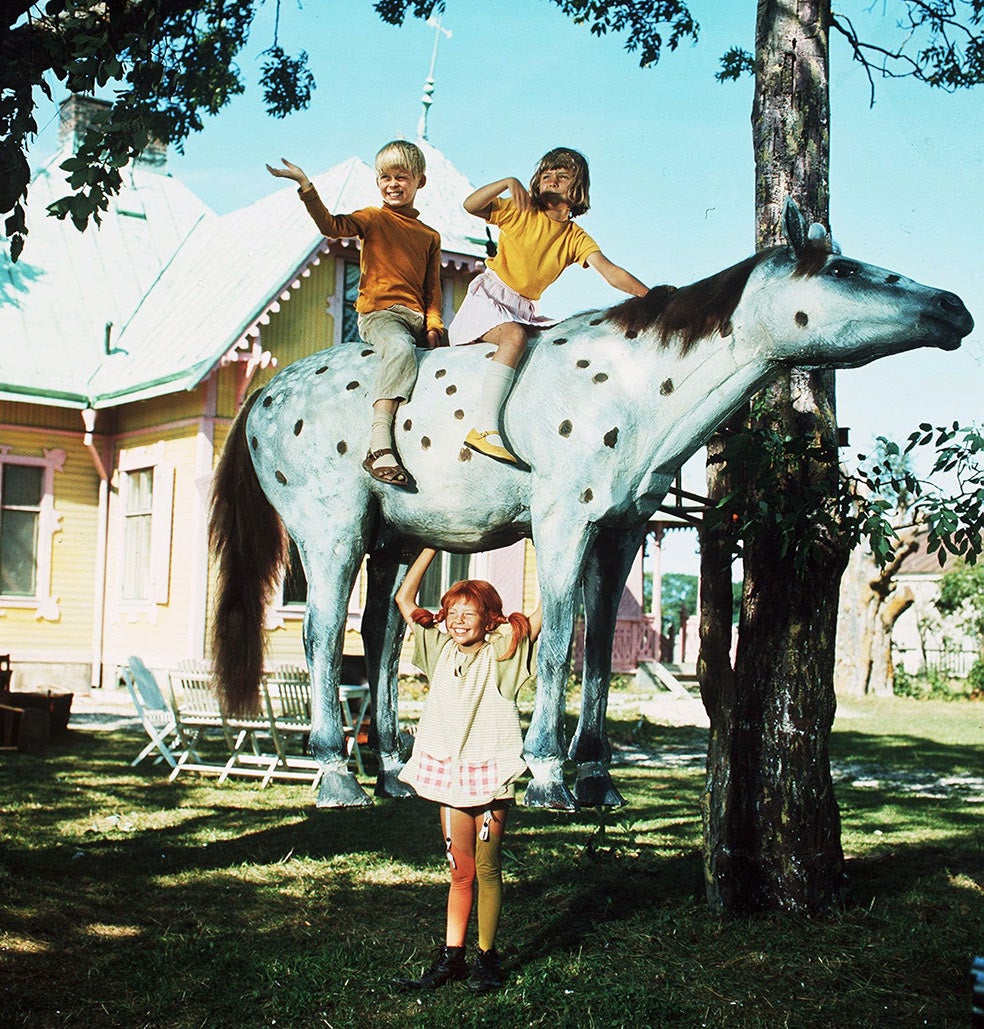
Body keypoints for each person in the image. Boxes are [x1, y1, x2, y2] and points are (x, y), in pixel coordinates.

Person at [392, 547, 542, 993]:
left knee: (487, 866)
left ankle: (487, 958)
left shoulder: (504, 650)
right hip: (450, 774)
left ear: (489, 619)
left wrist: (550, 548)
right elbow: (404, 598)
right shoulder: (438, 646)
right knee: (459, 871)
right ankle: (451, 957)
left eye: (469, 613)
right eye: (451, 611)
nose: (458, 620)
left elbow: (543, 609)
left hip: (490, 771)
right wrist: (434, 543)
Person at [449, 146, 649, 464]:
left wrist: (652, 298)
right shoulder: (522, 211)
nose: (552, 180)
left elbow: (610, 272)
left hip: (522, 307)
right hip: (489, 297)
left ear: (578, 188)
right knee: (514, 337)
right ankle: (483, 428)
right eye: (547, 175)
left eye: (562, 175)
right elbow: (470, 205)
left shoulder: (574, 237)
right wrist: (507, 182)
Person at [267, 141, 444, 488]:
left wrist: (435, 325)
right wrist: (307, 187)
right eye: (385, 177)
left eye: (401, 177)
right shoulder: (373, 218)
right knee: (399, 350)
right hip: (381, 315)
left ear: (419, 182)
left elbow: (432, 290)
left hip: (416, 320)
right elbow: (331, 226)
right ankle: (379, 443)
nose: (392, 184)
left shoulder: (429, 236)